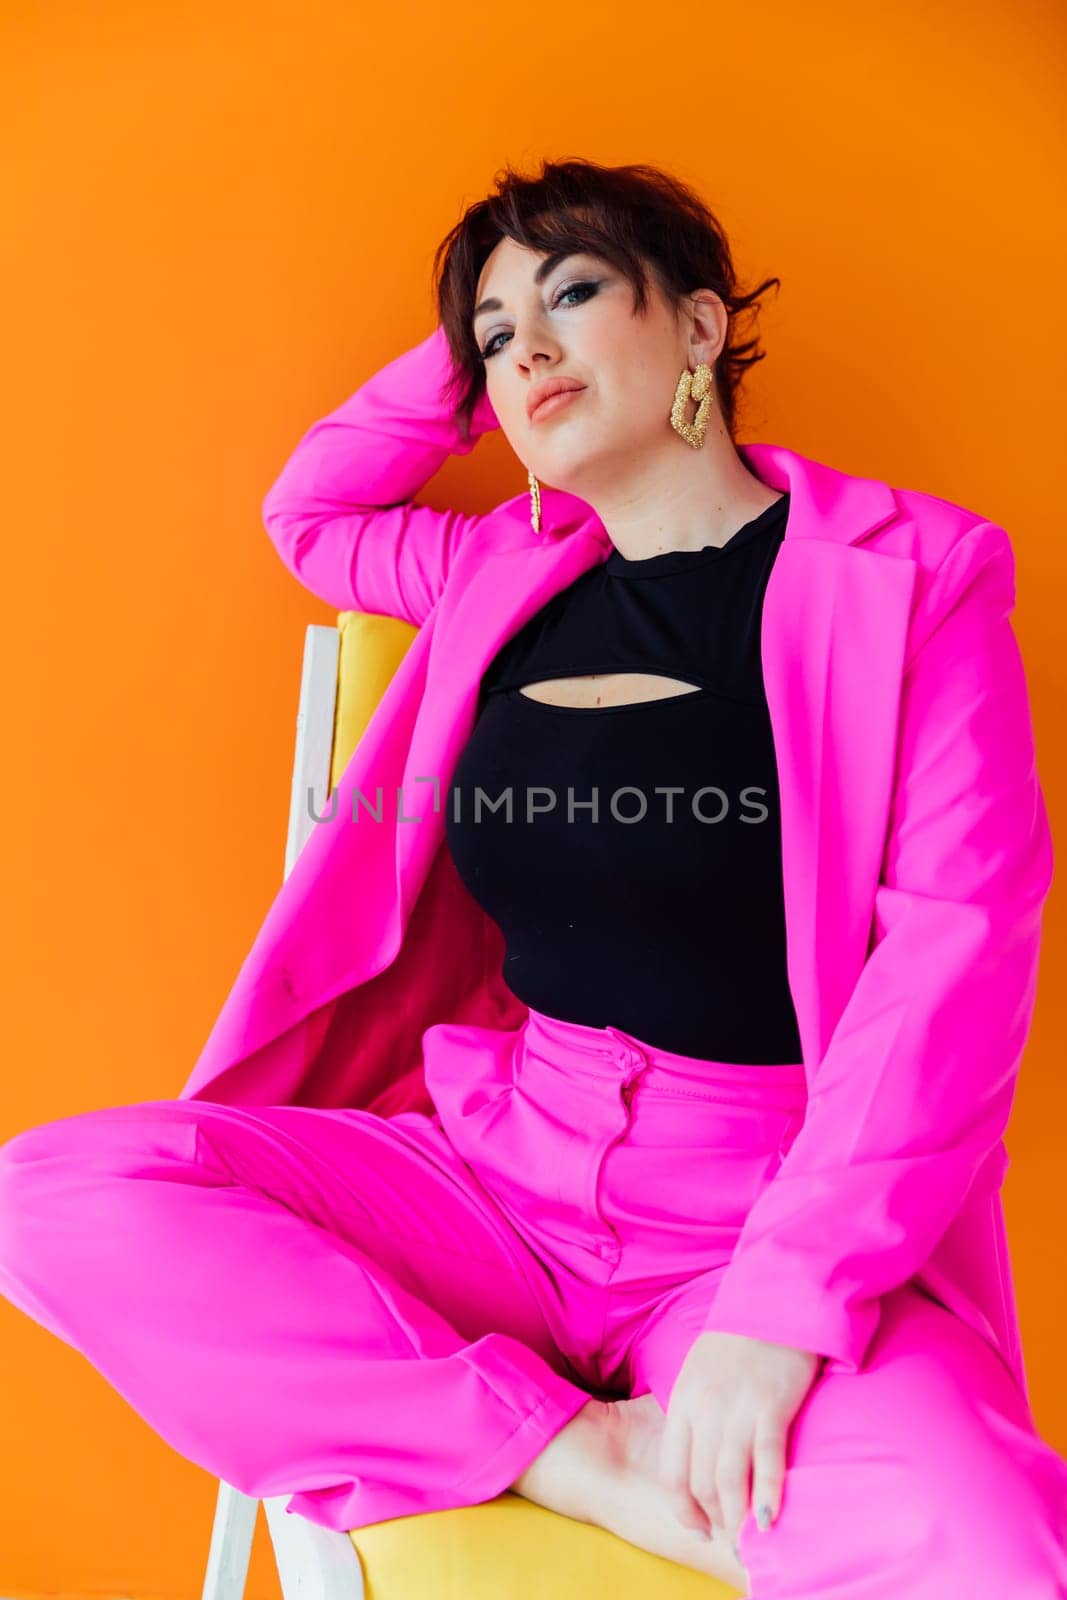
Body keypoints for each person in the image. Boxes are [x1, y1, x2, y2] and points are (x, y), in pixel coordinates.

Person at [2, 157, 1065, 1597]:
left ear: (701, 329)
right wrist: (478, 348)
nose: (530, 352)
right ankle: (569, 1448)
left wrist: (782, 1307)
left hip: (754, 1214)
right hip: (489, 1173)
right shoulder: (503, 568)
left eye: (572, 294)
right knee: (51, 1196)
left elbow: (957, 955)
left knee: (994, 1547)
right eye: (498, 337)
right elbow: (309, 512)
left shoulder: (916, 575)